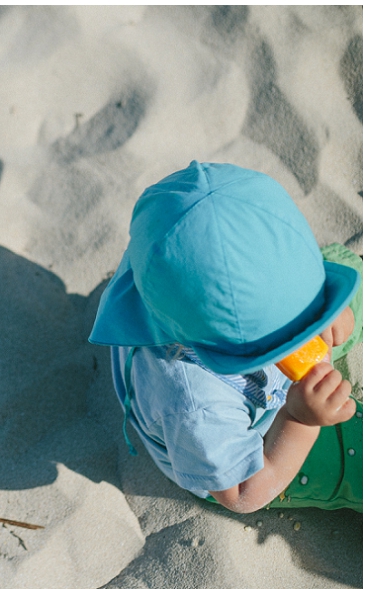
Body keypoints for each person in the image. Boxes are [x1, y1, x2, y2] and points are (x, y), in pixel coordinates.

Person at [89, 161, 363, 513]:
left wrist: (325, 305)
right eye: (287, 338)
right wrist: (299, 419)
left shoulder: (163, 241)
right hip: (257, 446)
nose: (307, 338)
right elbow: (245, 493)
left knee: (348, 269)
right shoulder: (196, 409)